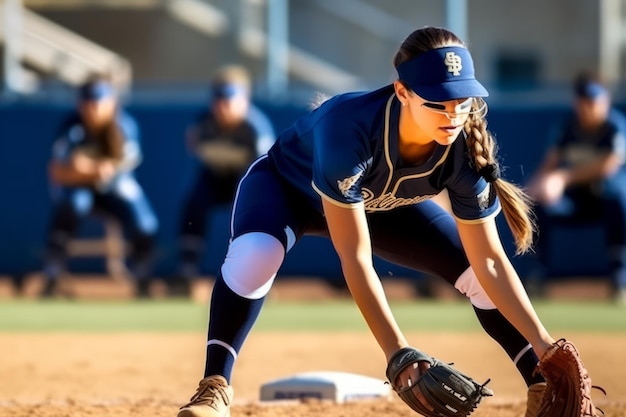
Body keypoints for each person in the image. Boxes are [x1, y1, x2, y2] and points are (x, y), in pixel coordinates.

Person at [176, 27, 596, 417]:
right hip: (286, 192)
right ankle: (214, 388)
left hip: (379, 203)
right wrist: (397, 352)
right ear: (403, 91)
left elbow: (490, 262)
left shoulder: (464, 147)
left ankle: (540, 385)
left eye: (462, 100)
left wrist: (545, 345)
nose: (452, 114)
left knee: (475, 276)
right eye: (437, 100)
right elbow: (355, 259)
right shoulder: (350, 130)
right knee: (256, 254)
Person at [42, 77, 159, 298]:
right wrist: (88, 170)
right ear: (79, 104)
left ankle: (143, 275)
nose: (92, 109)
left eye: (98, 102)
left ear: (111, 102)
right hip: (80, 190)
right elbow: (56, 171)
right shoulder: (71, 126)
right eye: (88, 103)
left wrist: (83, 168)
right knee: (73, 204)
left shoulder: (125, 126)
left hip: (115, 189)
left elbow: (112, 172)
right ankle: (53, 271)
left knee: (145, 223)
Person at [173, 65, 275, 295]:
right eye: (218, 99)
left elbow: (262, 171)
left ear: (244, 100)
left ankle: (256, 277)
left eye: (229, 99)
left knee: (253, 216)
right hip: (215, 178)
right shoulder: (202, 125)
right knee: (194, 203)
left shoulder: (255, 129)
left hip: (249, 183)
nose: (223, 106)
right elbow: (197, 150)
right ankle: (186, 271)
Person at [526, 71, 626, 304]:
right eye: (585, 102)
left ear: (605, 101)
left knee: (619, 199)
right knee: (539, 203)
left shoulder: (614, 127)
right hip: (576, 202)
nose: (589, 107)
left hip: (605, 200)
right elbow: (548, 165)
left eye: (595, 101)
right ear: (576, 102)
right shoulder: (566, 127)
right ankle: (538, 274)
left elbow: (607, 166)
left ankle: (619, 278)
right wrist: (532, 189)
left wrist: (563, 177)